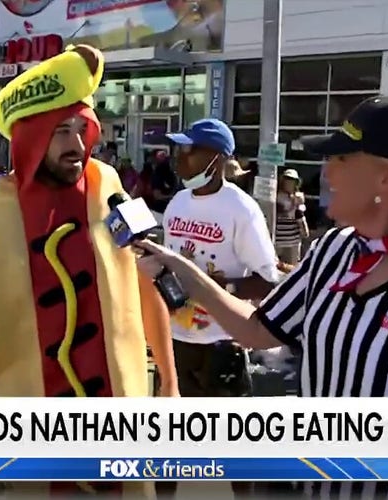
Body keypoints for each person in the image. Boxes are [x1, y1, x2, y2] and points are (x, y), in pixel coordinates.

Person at [135, 94, 388, 500]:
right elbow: (257, 330)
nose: (325, 173)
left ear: (385, 177)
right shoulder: (333, 250)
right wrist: (181, 269)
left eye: (341, 159)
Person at [0, 45, 176, 498]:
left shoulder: (114, 196)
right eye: (60, 131)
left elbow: (147, 285)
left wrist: (170, 387)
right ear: (29, 138)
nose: (77, 145)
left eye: (82, 128)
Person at [157, 118, 278, 499]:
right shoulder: (177, 202)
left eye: (190, 150)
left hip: (222, 344)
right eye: (180, 149)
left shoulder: (241, 209)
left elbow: (266, 279)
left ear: (217, 159)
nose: (180, 158)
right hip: (174, 340)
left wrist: (213, 286)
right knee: (166, 443)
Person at [275, 168, 309, 264]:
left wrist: (304, 229)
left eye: (292, 180)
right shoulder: (276, 196)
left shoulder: (299, 197)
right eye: (287, 179)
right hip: (278, 239)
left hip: (293, 239)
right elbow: (277, 212)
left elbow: (300, 215)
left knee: (292, 268)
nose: (289, 182)